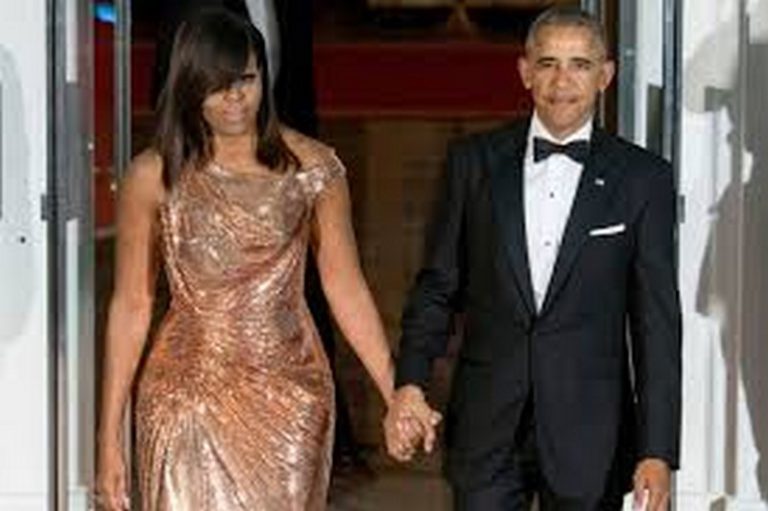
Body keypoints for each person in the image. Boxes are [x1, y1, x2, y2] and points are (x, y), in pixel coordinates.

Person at [95, 9, 438, 510]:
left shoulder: (313, 169)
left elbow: (344, 288)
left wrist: (395, 395)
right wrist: (109, 438)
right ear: (190, 86)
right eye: (217, 85)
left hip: (290, 394)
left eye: (247, 79)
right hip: (183, 397)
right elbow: (132, 304)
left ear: (264, 78)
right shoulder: (153, 176)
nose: (236, 98)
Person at [384, 7, 682, 511]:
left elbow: (655, 323)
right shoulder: (473, 163)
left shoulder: (642, 179)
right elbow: (437, 287)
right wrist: (409, 382)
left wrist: (658, 450)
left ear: (606, 75)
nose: (561, 81)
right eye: (547, 63)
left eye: (579, 65)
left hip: (592, 436)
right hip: (486, 425)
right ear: (524, 72)